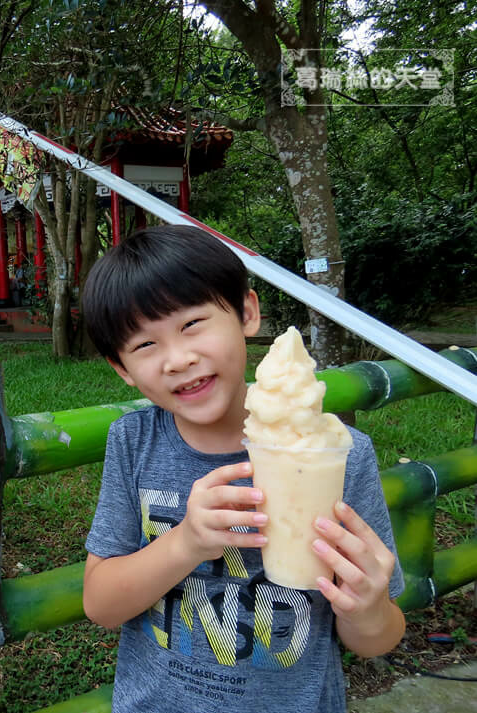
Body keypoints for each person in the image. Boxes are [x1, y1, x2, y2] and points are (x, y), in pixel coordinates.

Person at [80, 226, 405, 713]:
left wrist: (369, 608)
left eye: (193, 324)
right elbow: (101, 604)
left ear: (247, 312)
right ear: (122, 367)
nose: (179, 358)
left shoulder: (338, 453)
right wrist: (187, 541)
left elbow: (378, 638)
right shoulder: (134, 443)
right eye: (145, 346)